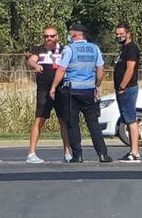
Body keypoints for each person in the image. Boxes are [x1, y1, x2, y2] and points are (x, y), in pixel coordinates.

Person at [50, 24, 112, 163]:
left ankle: (77, 155)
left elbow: (61, 70)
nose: (69, 36)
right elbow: (101, 70)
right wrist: (97, 85)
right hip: (89, 91)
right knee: (93, 123)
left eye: (70, 33)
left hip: (72, 91)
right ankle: (102, 154)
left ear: (76, 35)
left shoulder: (69, 49)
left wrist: (53, 86)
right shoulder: (95, 48)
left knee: (73, 123)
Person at [26, 27, 71, 164]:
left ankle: (67, 152)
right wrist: (35, 65)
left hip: (61, 89)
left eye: (52, 36)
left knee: (64, 120)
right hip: (43, 90)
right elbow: (31, 60)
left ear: (57, 36)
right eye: (46, 37)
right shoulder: (39, 50)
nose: (49, 39)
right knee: (39, 119)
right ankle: (32, 153)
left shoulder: (64, 50)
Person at [113, 23, 142, 162]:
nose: (119, 36)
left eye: (121, 33)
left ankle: (135, 152)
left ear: (128, 33)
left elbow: (130, 69)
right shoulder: (123, 49)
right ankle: (132, 150)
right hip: (124, 89)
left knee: (131, 120)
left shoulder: (131, 49)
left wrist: (122, 86)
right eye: (117, 34)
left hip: (128, 89)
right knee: (128, 119)